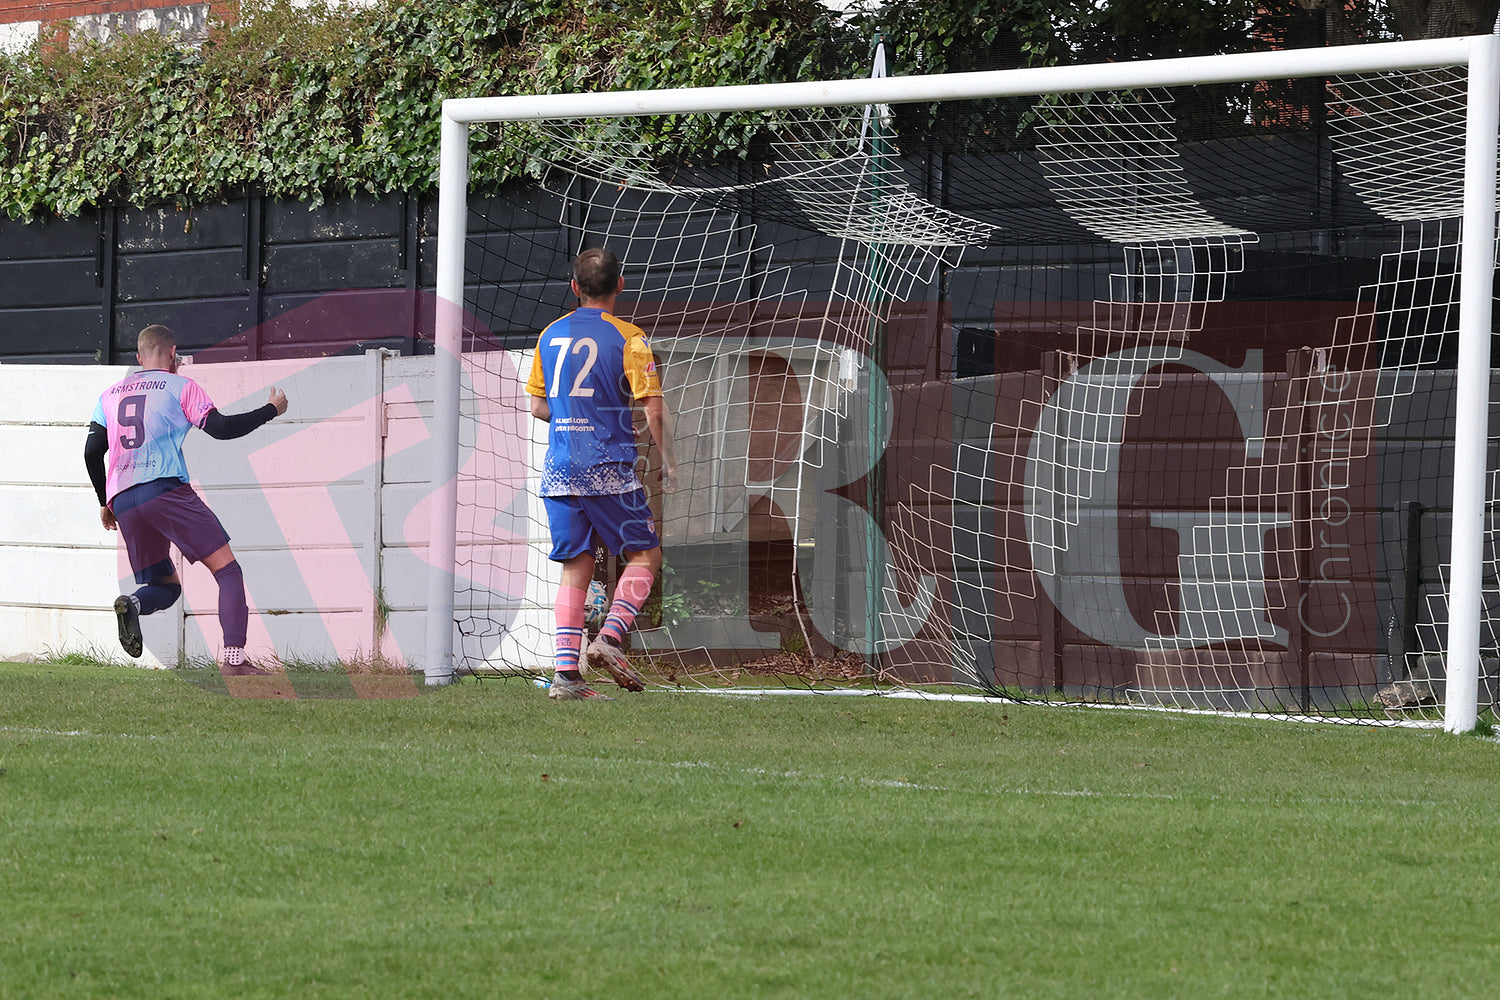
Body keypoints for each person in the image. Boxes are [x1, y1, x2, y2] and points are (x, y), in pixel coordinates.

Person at [83, 325, 288, 676]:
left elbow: (91, 453)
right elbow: (221, 429)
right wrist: (271, 409)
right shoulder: (181, 387)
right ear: (174, 353)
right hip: (164, 490)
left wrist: (105, 501)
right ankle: (235, 663)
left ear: (139, 357)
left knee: (164, 586)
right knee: (227, 570)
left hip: (125, 500)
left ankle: (132, 603)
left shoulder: (109, 395)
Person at [526, 248, 678, 701]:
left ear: (574, 287)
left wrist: (576, 414)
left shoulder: (549, 335)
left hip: (559, 469)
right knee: (645, 556)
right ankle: (610, 639)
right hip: (606, 467)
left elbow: (537, 405)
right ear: (621, 285)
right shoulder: (630, 337)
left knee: (576, 567)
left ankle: (567, 678)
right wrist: (670, 461)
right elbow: (652, 406)